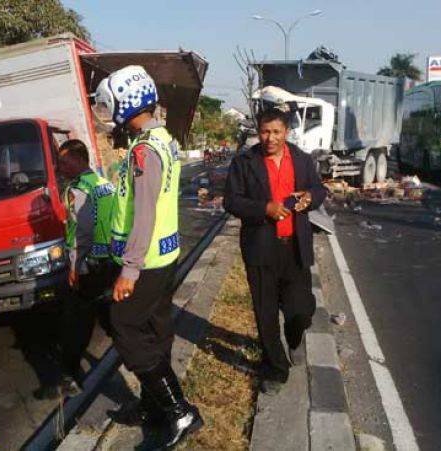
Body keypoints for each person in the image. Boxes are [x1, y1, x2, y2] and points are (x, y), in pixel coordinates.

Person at [93, 65, 203, 448]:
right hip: (164, 256)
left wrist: (129, 269)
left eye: (111, 109)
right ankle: (153, 406)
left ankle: (179, 411)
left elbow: (145, 213)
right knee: (155, 331)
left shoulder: (143, 151)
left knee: (124, 327)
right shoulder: (163, 139)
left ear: (125, 105)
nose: (109, 117)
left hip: (146, 262)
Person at [223, 108, 327, 395]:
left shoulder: (302, 160)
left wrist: (309, 197)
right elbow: (231, 201)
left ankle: (295, 338)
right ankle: (275, 367)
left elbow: (319, 190)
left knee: (301, 309)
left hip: (294, 247)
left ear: (287, 133)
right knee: (265, 314)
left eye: (276, 132)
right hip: (260, 248)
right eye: (265, 132)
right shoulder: (245, 162)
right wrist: (264, 209)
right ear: (258, 132)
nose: (270, 138)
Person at [57, 138, 117, 395]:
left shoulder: (78, 189)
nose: (61, 167)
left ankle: (69, 375)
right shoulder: (105, 184)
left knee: (77, 323)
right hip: (110, 261)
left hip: (89, 264)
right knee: (112, 319)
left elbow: (79, 232)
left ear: (80, 159)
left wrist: (74, 266)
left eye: (64, 161)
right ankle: (138, 358)